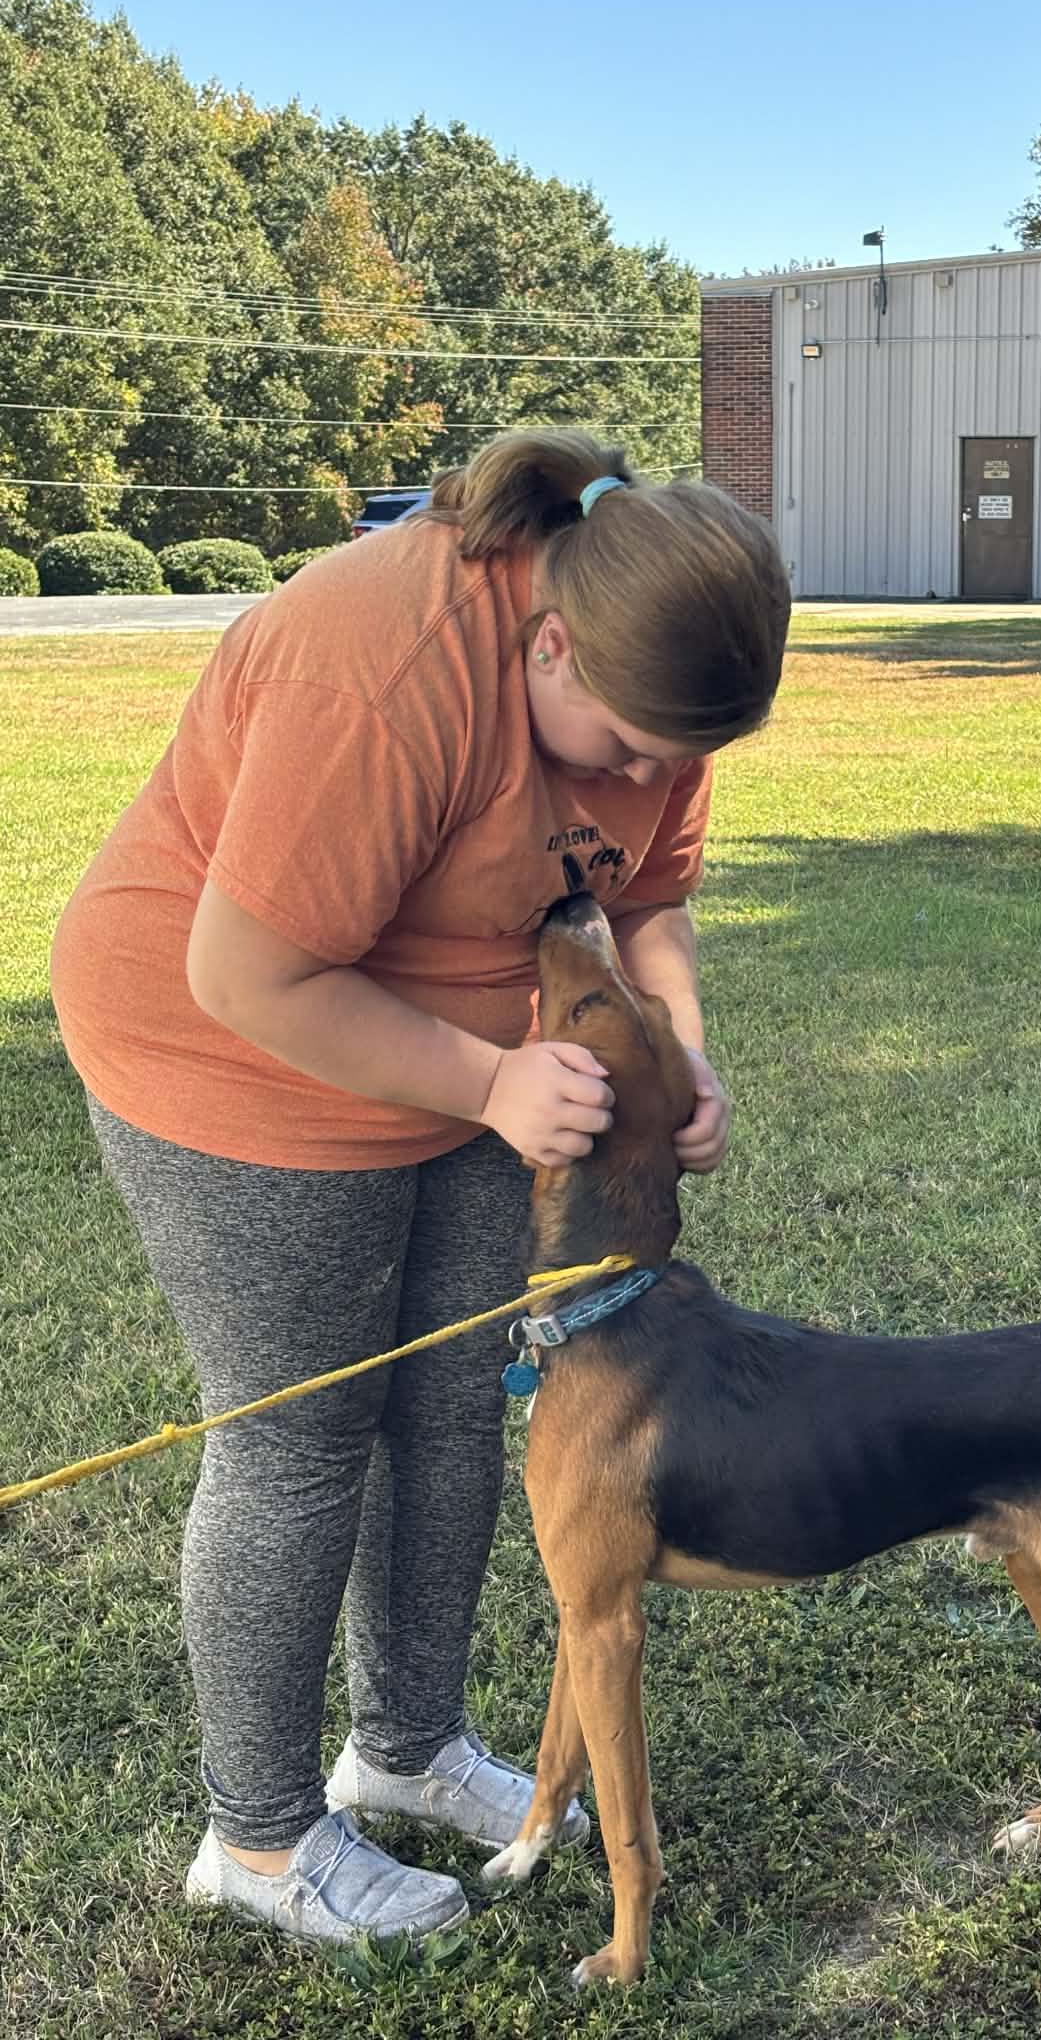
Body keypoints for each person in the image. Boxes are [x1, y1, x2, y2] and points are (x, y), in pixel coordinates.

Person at [49, 430, 792, 1947]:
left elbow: (646, 904)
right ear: (550, 635)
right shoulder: (381, 667)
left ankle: (404, 1747)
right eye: (630, 748)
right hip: (226, 1044)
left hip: (459, 1043)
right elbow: (246, 970)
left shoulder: (666, 676)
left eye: (677, 757)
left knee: (453, 1400)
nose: (651, 780)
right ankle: (256, 1847)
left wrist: (678, 1059)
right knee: (302, 1435)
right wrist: (492, 1083)